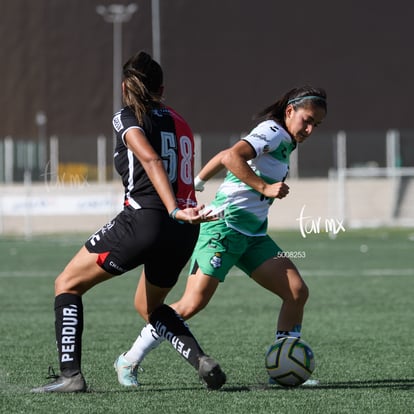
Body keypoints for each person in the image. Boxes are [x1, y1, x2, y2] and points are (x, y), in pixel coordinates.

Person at [31, 51, 226, 393]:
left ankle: (70, 376)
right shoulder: (180, 121)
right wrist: (182, 211)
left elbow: (149, 159)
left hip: (147, 219)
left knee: (67, 284)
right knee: (149, 307)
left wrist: (173, 209)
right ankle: (201, 360)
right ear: (162, 88)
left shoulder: (126, 117)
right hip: (183, 232)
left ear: (125, 87)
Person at [113, 86, 328, 387]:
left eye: (315, 125)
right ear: (289, 111)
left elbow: (222, 156)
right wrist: (265, 188)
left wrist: (198, 181)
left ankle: (284, 366)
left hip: (252, 235)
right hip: (224, 229)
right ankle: (128, 360)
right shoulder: (273, 131)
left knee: (296, 291)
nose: (309, 129)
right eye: (306, 120)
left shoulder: (286, 142)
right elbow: (231, 156)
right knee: (190, 305)